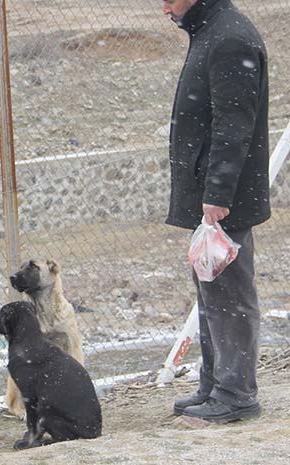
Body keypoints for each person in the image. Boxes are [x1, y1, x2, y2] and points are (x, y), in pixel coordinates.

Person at [162, 0, 270, 422]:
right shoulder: (213, 31)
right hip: (211, 195)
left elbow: (233, 125)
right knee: (212, 291)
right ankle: (214, 383)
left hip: (225, 202)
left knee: (230, 296)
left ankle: (236, 392)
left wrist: (219, 192)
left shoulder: (229, 38)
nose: (164, 8)